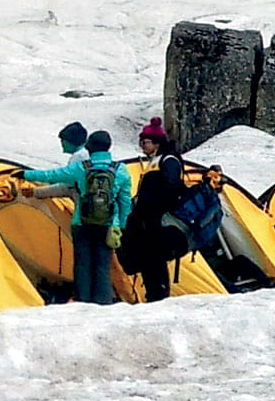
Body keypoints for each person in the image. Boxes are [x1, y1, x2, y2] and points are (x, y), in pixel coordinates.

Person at [20, 129, 131, 305]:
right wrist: (122, 225)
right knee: (103, 264)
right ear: (109, 147)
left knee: (83, 264)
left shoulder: (82, 168)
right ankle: (103, 300)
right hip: (109, 224)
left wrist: (25, 175)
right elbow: (125, 201)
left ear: (90, 147)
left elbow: (52, 176)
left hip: (82, 222)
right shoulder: (121, 170)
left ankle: (83, 301)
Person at [124, 117, 187, 302]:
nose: (142, 146)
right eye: (141, 142)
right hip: (148, 221)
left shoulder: (168, 160)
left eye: (146, 142)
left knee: (155, 260)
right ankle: (154, 293)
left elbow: (170, 188)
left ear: (157, 142)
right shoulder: (158, 160)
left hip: (157, 221)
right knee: (149, 259)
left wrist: (150, 206)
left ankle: (158, 294)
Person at [24, 122, 90, 200]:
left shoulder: (78, 157)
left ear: (71, 141)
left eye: (63, 140)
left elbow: (66, 186)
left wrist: (35, 191)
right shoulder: (86, 153)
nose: (61, 143)